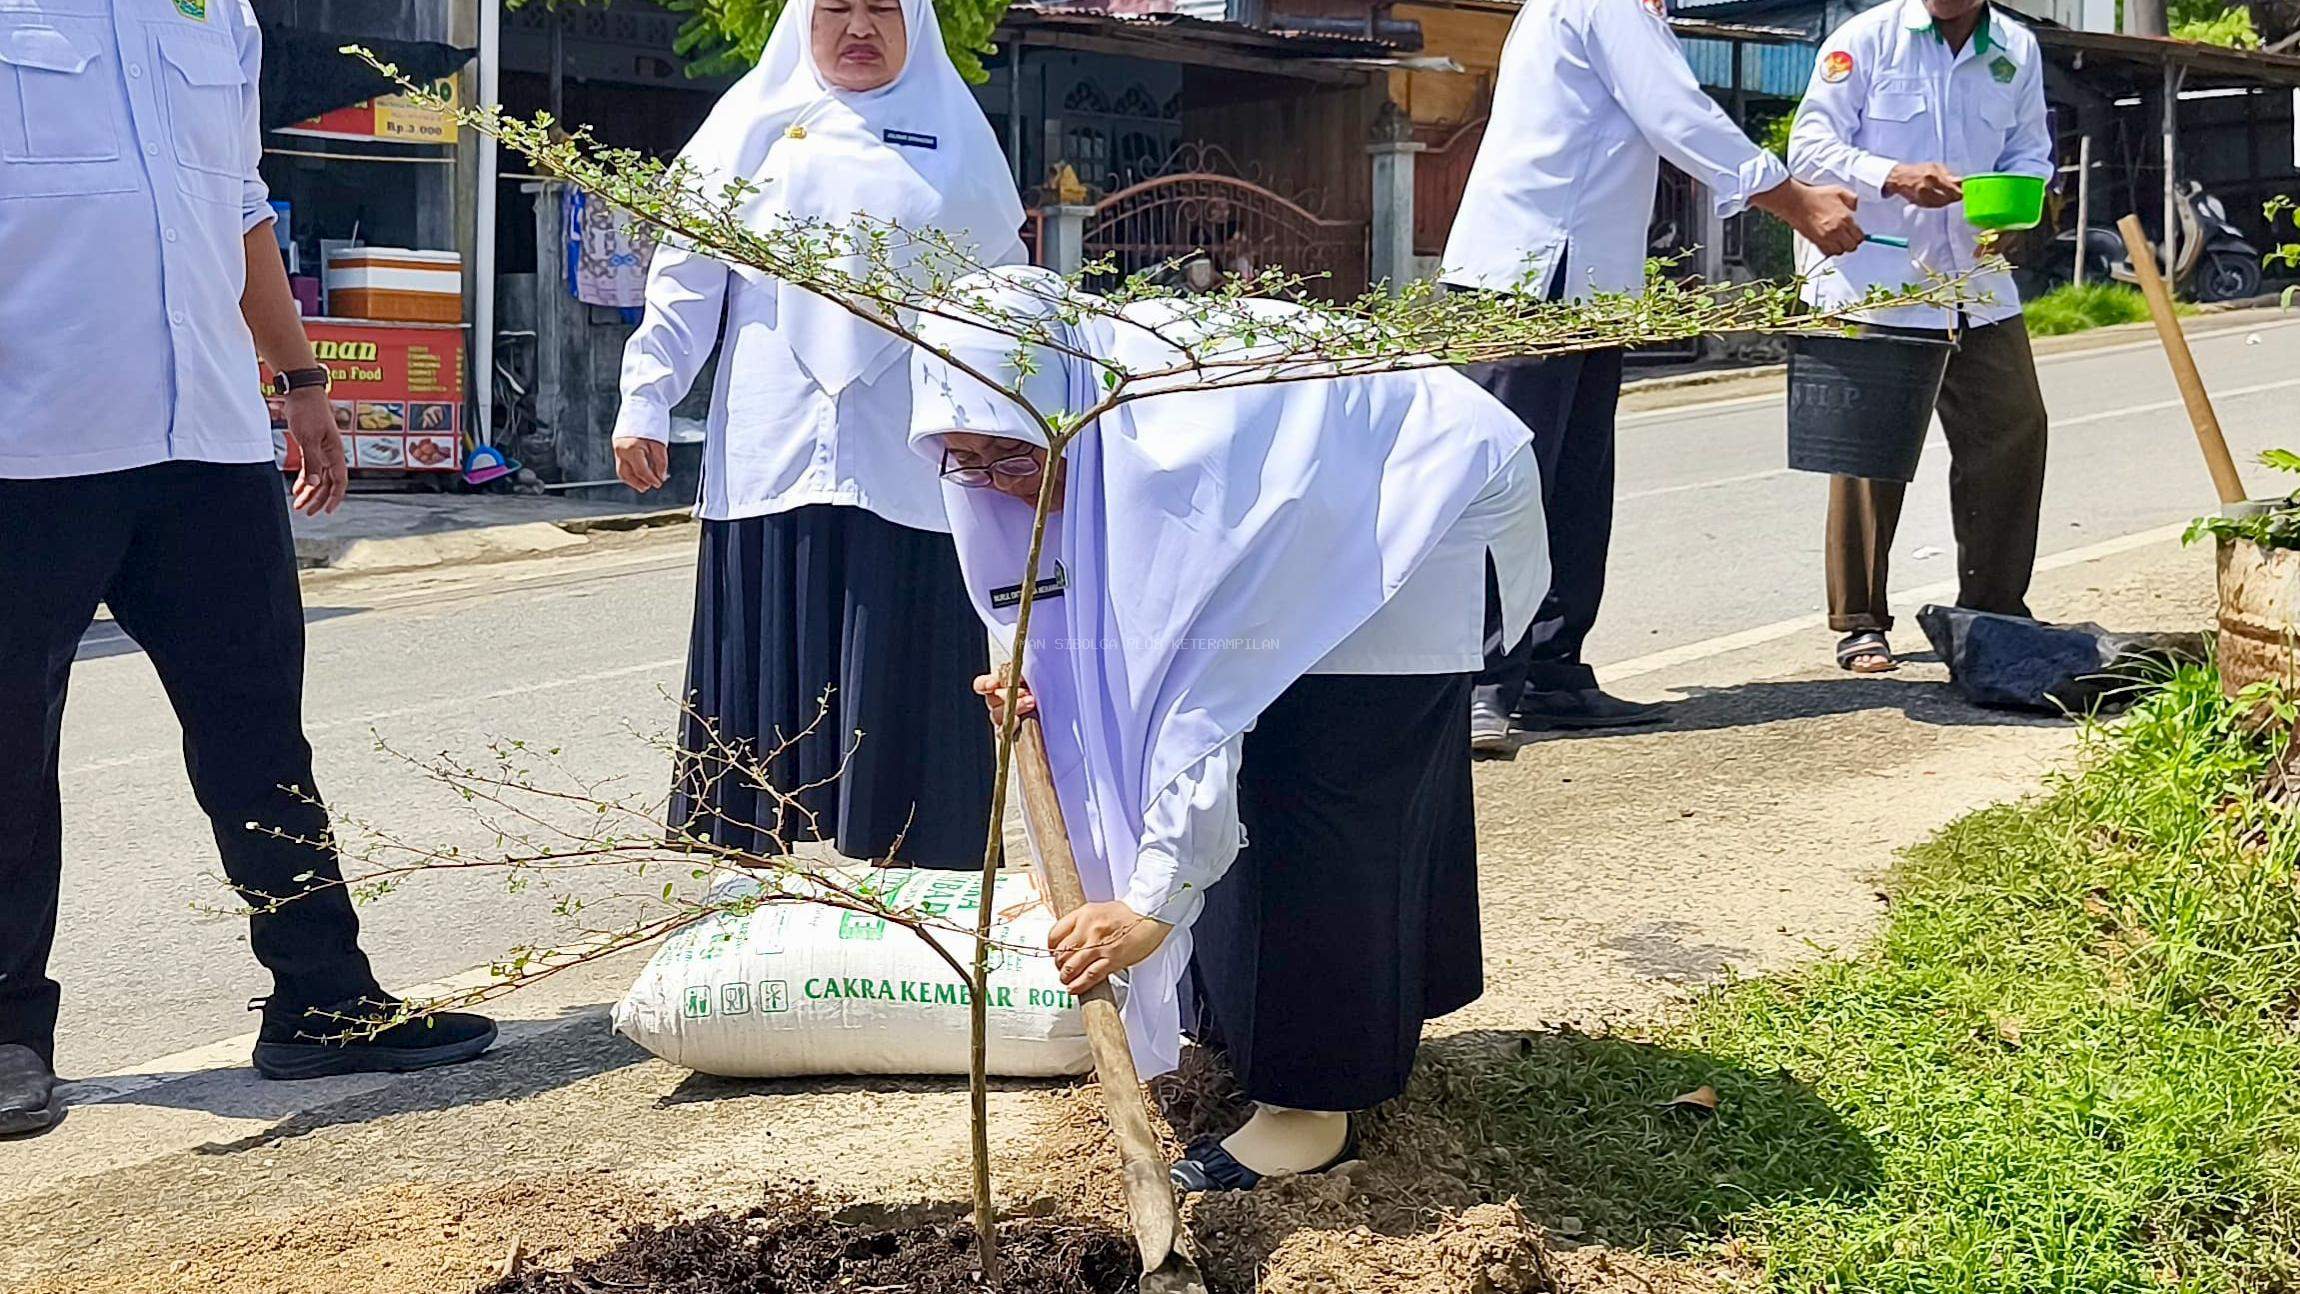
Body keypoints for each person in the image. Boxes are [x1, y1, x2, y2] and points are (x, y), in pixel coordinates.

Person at [909, 267, 1549, 1191]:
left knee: (1321, 811)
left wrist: (1150, 907)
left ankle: (1309, 1107)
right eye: (963, 461)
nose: (992, 485)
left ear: (1061, 416)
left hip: (1393, 532)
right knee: (1265, 808)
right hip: (1312, 507)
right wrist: (1037, 677)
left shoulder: (1170, 458)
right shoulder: (1061, 406)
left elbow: (1192, 704)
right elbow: (1055, 598)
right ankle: (1301, 1027)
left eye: (1009, 458)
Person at [0, 0, 495, 1137]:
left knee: (259, 731)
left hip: (209, 443)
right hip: (29, 443)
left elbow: (238, 212)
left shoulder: (217, 11)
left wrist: (301, 380)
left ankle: (322, 997)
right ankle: (8, 1031)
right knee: (8, 754)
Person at [613, 0, 1027, 869]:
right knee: (764, 681)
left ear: (916, 21)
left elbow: (1003, 301)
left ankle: (910, 890)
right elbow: (687, 279)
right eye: (837, 6)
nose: (859, 25)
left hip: (907, 459)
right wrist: (648, 397)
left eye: (882, 7)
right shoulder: (749, 127)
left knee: (903, 672)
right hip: (774, 448)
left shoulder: (957, 138)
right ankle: (755, 900)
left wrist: (1018, 429)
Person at [1442, 0, 1868, 749]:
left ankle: (1550, 673)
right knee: (1509, 487)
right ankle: (1475, 684)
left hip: (1586, 282)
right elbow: (1678, 113)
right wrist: (1795, 201)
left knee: (1574, 486)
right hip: (1528, 272)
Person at [1789, 0, 2053, 673]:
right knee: (1870, 454)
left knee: (2014, 429)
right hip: (1879, 277)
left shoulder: (2017, 50)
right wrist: (1895, 174)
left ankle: (1993, 609)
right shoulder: (1863, 41)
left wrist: (2024, 196)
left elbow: (2030, 148)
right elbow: (1810, 150)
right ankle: (1860, 621)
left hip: (1977, 280)